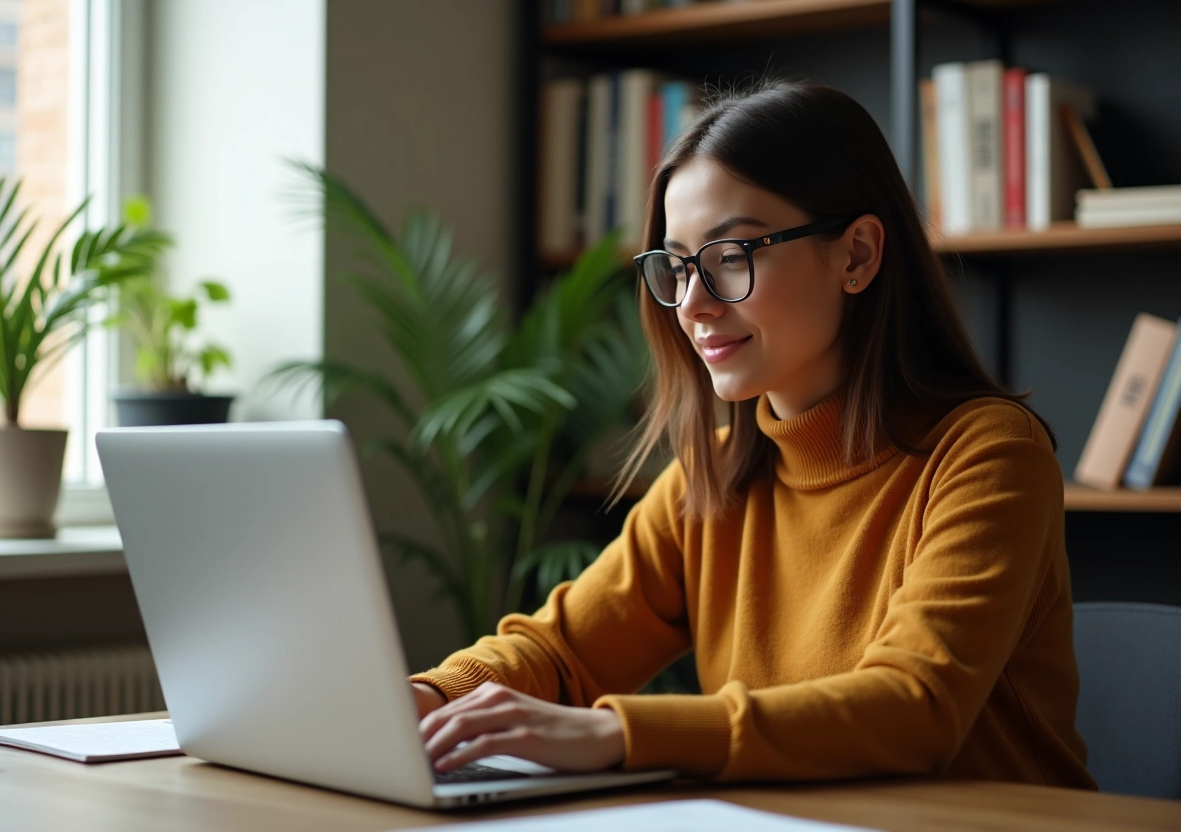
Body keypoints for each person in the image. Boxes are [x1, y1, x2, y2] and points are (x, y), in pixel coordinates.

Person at [408, 78, 1096, 789]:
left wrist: (619, 732)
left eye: (731, 256)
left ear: (856, 255)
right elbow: (565, 649)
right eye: (675, 265)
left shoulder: (987, 455)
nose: (693, 304)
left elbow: (914, 707)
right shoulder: (717, 472)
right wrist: (426, 698)